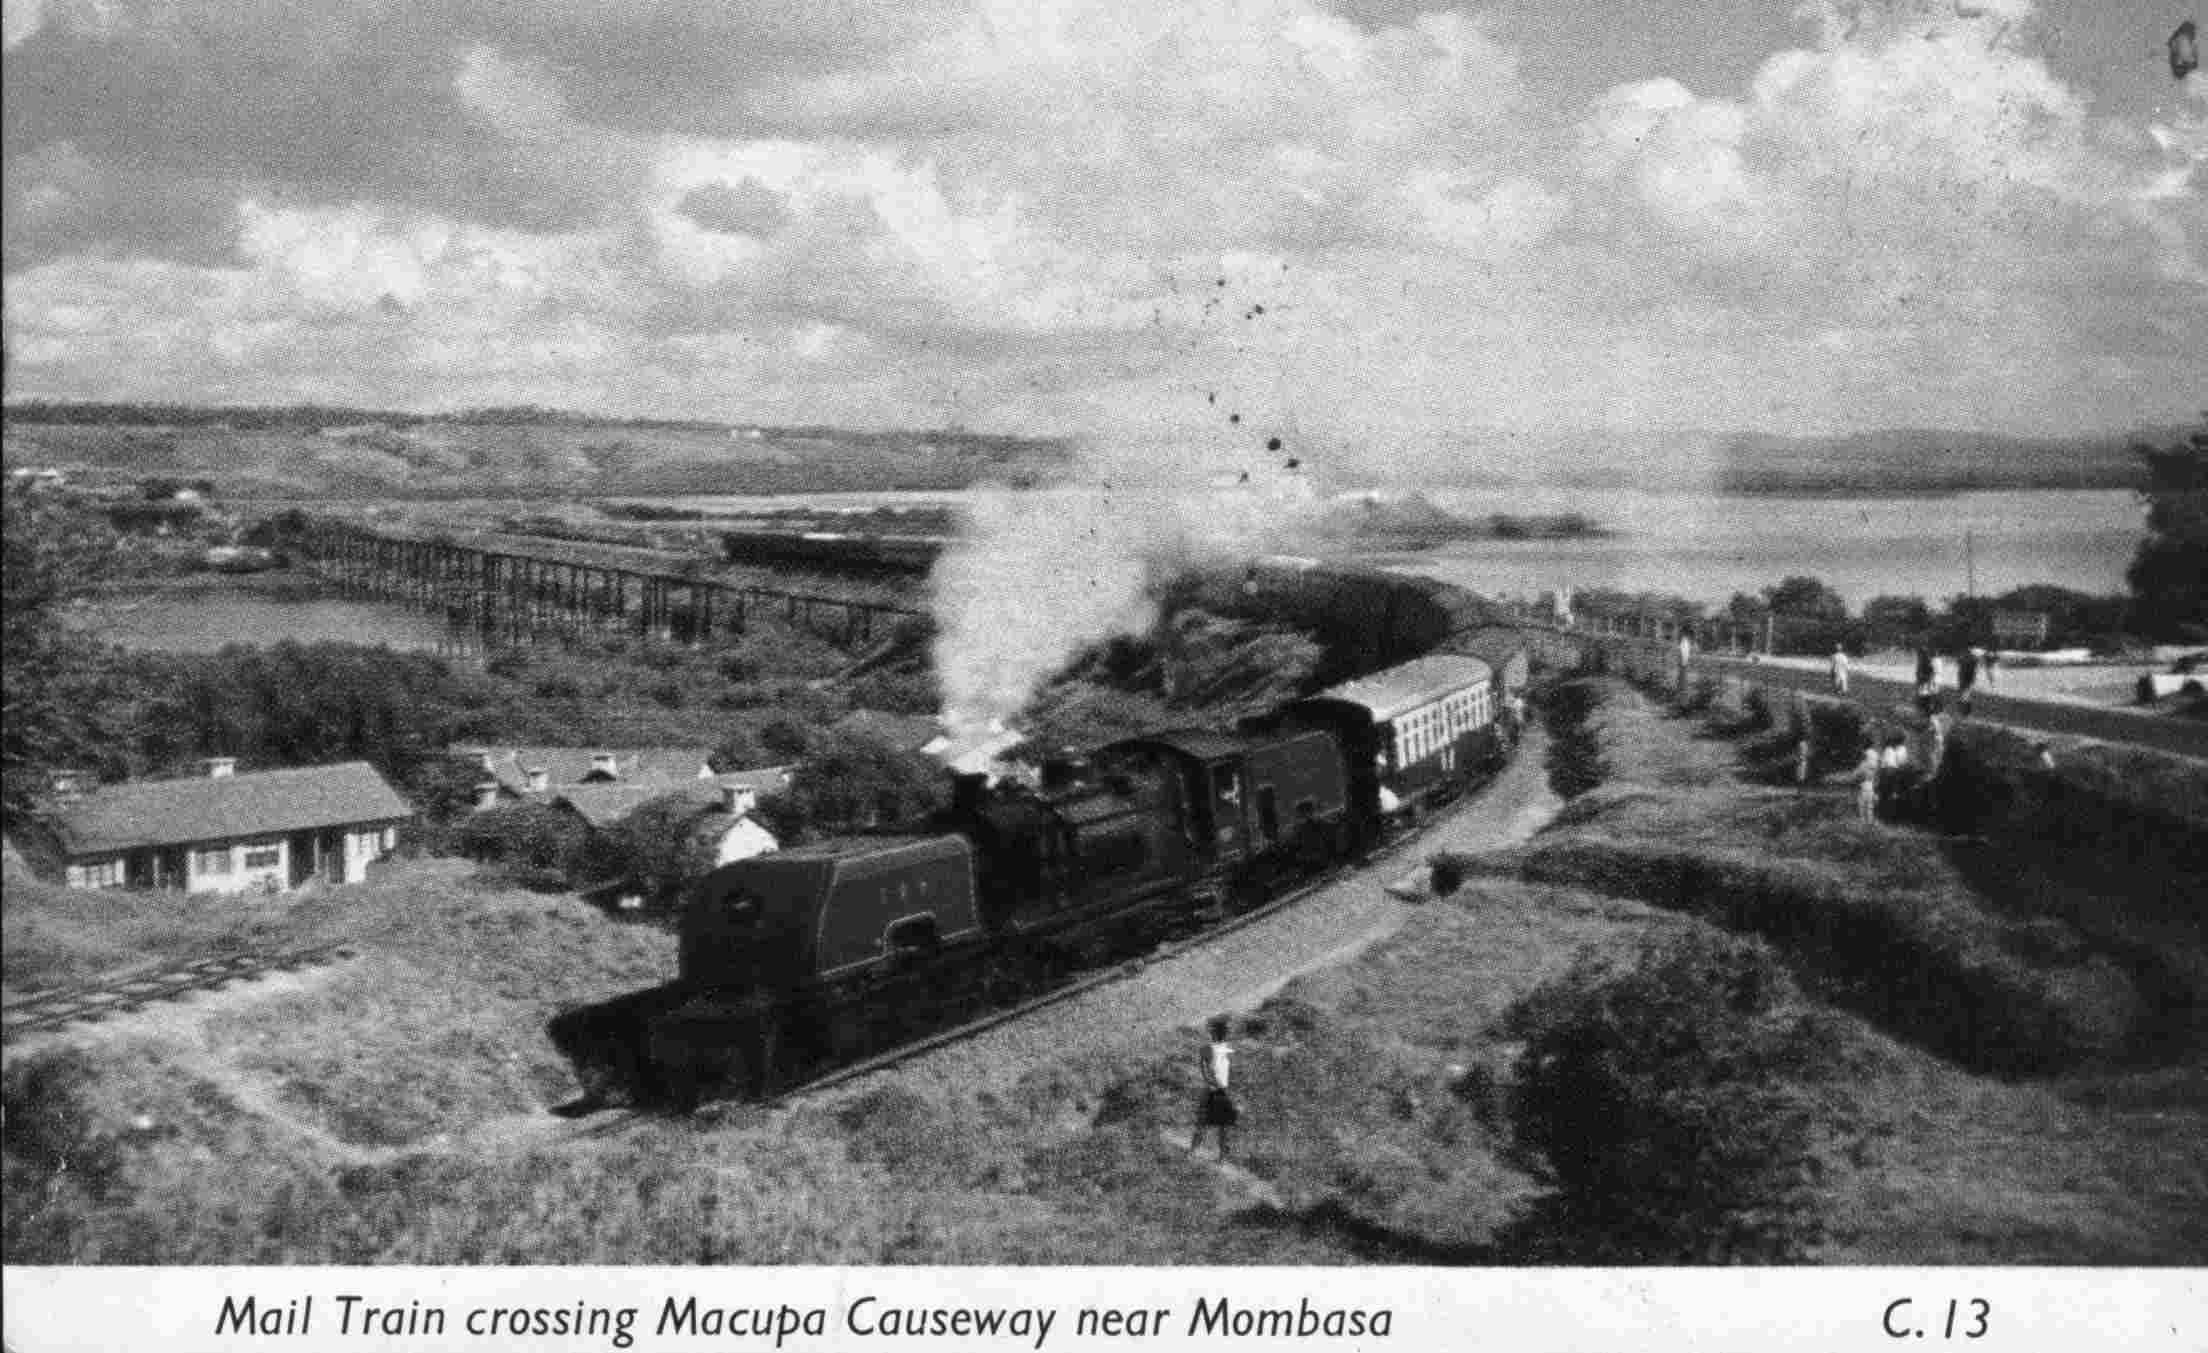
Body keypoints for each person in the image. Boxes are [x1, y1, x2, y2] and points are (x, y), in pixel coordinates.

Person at [1192, 1017, 1239, 1159]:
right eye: (1219, 1031)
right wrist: (1212, 1084)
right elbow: (1204, 1070)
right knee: (1207, 1123)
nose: (1219, 1034)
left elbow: (1231, 1072)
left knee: (1220, 1127)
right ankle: (1193, 1151)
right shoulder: (1208, 1049)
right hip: (1215, 1090)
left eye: (1220, 1031)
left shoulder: (1226, 1050)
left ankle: (1218, 1156)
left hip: (1221, 1090)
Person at [1855, 740, 1881, 824]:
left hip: (1863, 784)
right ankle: (1870, 820)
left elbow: (1857, 775)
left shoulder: (1862, 765)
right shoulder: (1873, 763)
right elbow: (1877, 769)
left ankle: (1863, 820)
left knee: (1862, 803)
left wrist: (1857, 780)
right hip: (1871, 784)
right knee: (1870, 804)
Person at [1957, 647, 1980, 716]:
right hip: (1968, 679)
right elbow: (1975, 667)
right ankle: (1965, 711)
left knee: (1964, 695)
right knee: (1966, 695)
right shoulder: (1973, 659)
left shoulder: (1963, 658)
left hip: (1964, 679)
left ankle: (1964, 711)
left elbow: (1959, 664)